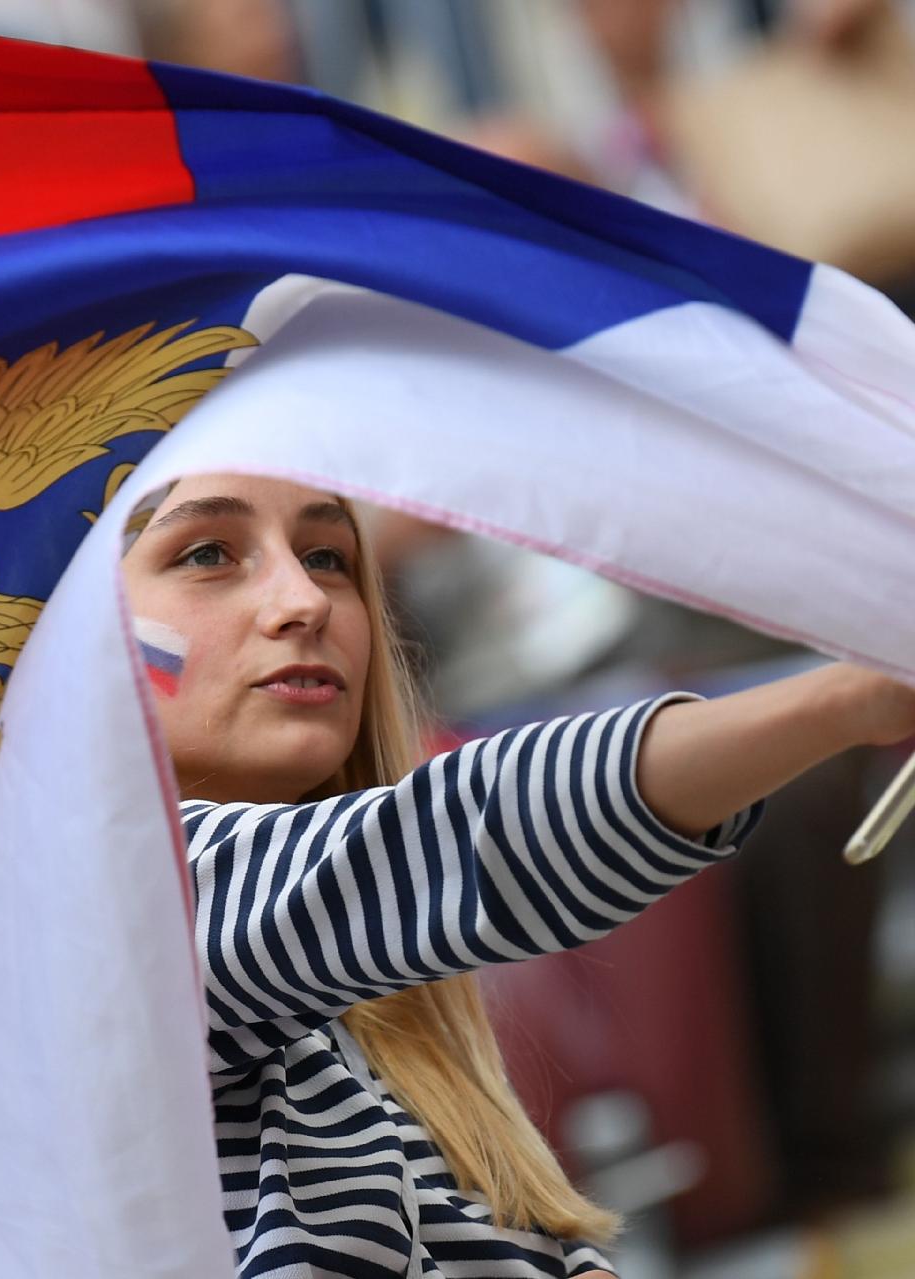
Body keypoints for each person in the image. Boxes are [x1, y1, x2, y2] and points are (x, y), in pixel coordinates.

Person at [119, 471, 915, 1279]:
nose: (306, 600)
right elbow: (470, 833)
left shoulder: (347, 1032)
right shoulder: (112, 920)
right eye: (208, 552)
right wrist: (854, 696)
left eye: (328, 556)